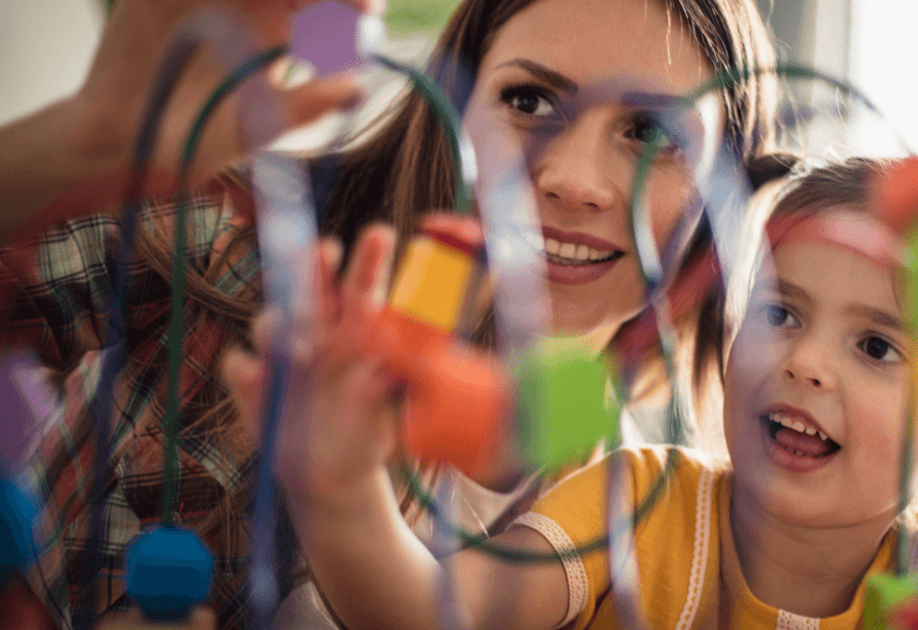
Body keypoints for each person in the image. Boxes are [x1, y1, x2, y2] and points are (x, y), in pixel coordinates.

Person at [0, 0, 777, 627]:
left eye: (650, 133)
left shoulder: (632, 509)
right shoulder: (237, 243)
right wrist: (79, 142)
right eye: (528, 99)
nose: (576, 181)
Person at [225, 156, 918, 629]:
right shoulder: (634, 500)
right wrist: (341, 496)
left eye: (879, 347)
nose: (807, 363)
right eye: (780, 313)